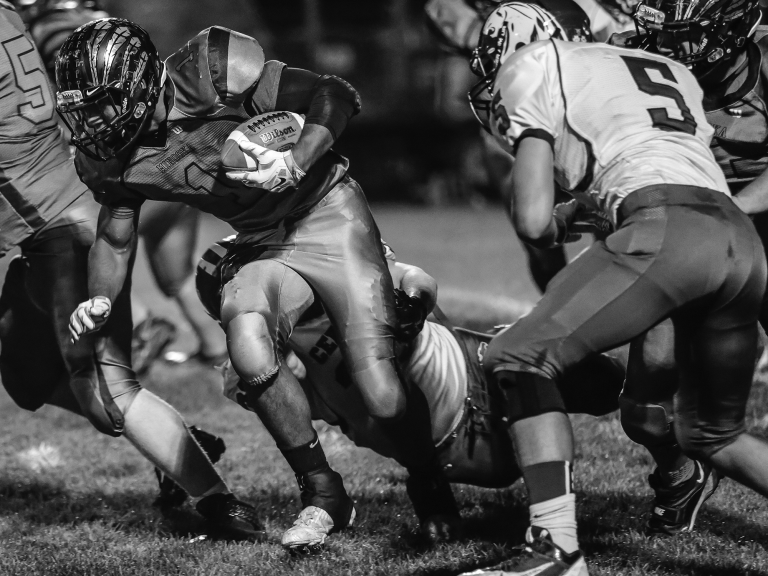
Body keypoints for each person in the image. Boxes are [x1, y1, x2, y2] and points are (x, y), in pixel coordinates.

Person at [58, 18, 445, 550]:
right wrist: (101, 297)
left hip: (328, 211)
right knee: (246, 338)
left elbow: (335, 93)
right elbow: (117, 237)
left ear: (138, 84)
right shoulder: (114, 158)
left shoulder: (211, 72)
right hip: (261, 240)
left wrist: (296, 160)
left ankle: (428, 474)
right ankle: (323, 492)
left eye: (102, 104)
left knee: (382, 395)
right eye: (84, 109)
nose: (94, 122)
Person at [463, 3, 768, 575]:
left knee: (517, 355)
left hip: (670, 230)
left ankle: (553, 550)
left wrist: (562, 204)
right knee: (712, 432)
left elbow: (533, 222)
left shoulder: (537, 64)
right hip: (738, 238)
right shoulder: (657, 66)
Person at [0, 1, 263, 540]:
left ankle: (217, 502)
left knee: (106, 395)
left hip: (62, 227)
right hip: (50, 217)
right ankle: (177, 437)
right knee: (24, 372)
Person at [196, 236, 627, 545]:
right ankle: (430, 489)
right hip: (451, 443)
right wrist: (276, 357)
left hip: (473, 357)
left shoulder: (323, 271)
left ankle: (670, 437)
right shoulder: (255, 364)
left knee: (602, 381)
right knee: (390, 394)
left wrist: (412, 304)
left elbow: (415, 278)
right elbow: (290, 401)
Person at [606, 0, 767, 536]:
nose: (680, 49)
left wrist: (730, 211)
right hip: (689, 229)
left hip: (750, 221)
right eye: (674, 35)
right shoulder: (642, 67)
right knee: (644, 413)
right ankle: (680, 474)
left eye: (694, 35)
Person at [10, 0, 227, 374]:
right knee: (175, 272)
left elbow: (83, 101)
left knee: (79, 244)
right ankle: (218, 349)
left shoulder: (55, 32)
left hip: (132, 167)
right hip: (173, 157)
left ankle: (142, 326)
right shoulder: (106, 26)